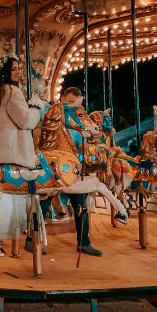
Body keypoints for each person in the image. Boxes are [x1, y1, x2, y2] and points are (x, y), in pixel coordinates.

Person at [0, 55, 44, 169]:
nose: (18, 72)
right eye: (13, 69)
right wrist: (35, 109)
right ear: (4, 72)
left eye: (18, 68)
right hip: (12, 155)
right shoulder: (12, 91)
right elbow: (26, 121)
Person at [60, 87, 102, 257]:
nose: (71, 106)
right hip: (53, 168)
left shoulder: (77, 122)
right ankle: (31, 238)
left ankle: (84, 242)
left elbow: (80, 145)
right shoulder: (54, 116)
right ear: (62, 98)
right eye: (69, 102)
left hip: (72, 170)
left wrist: (90, 142)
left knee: (81, 205)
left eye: (74, 104)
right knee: (41, 203)